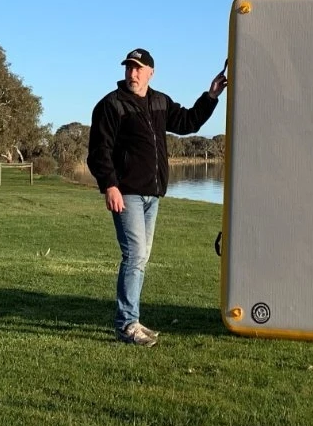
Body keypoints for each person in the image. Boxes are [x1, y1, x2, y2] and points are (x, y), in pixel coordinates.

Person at [87, 47, 227, 345]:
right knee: (135, 256)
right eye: (128, 67)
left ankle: (132, 321)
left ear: (151, 72)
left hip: (152, 194)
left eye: (138, 68)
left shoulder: (160, 102)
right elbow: (99, 151)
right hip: (127, 193)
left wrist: (211, 96)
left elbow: (188, 123)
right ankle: (127, 325)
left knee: (141, 257)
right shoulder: (111, 105)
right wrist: (110, 186)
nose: (132, 73)